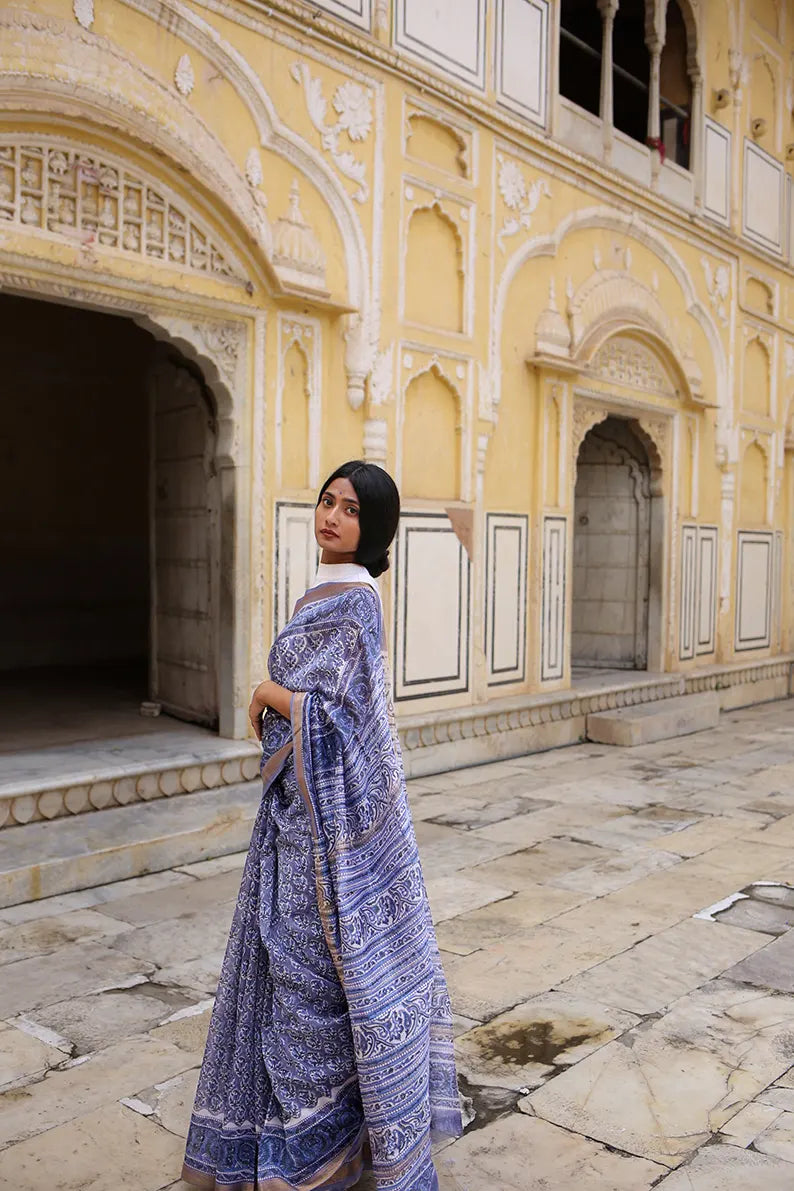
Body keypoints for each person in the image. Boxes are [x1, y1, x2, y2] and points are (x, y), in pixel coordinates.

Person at [181, 460, 462, 1191]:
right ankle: (306, 1145)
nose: (332, 515)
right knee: (291, 977)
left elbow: (339, 721)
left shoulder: (359, 602)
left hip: (332, 836)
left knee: (312, 987)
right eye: (327, 501)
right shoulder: (324, 593)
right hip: (294, 824)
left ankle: (315, 1157)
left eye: (351, 509)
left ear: (376, 528)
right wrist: (279, 702)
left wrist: (270, 691)